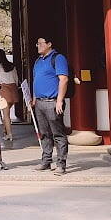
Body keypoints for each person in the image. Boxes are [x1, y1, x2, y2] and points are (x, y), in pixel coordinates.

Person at [30, 36, 70, 174]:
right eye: (37, 43)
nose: (38, 46)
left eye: (41, 43)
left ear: (49, 44)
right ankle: (46, 161)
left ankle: (61, 164)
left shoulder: (58, 58)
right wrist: (34, 98)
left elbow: (63, 79)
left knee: (58, 134)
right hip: (40, 102)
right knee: (44, 134)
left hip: (52, 101)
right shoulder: (37, 61)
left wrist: (59, 100)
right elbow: (35, 80)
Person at [0, 47, 19, 147]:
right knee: (6, 113)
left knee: (6, 115)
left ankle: (9, 134)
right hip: (13, 89)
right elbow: (16, 79)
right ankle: (6, 131)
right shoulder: (12, 66)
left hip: (4, 89)